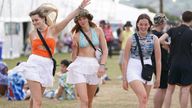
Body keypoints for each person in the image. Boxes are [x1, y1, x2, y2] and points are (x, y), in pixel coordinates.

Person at [11, 1, 90, 108]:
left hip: (46, 66)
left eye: (36, 20)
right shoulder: (32, 33)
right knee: (38, 101)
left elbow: (67, 19)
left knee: (35, 98)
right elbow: (33, 52)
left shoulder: (53, 30)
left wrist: (80, 7)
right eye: (32, 21)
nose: (34, 23)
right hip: (33, 64)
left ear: (43, 18)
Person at [67, 9, 108, 108]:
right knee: (84, 100)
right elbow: (74, 58)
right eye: (79, 19)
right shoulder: (76, 35)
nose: (82, 21)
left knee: (89, 101)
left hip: (94, 66)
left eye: (84, 18)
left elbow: (105, 50)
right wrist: (74, 48)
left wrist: (102, 66)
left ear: (88, 18)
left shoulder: (98, 31)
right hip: (79, 65)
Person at [122, 14, 161, 108]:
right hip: (133, 67)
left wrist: (158, 78)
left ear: (149, 25)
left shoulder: (154, 39)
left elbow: (158, 60)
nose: (143, 26)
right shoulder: (131, 39)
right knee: (143, 96)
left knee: (144, 100)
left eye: (145, 24)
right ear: (137, 25)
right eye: (141, 24)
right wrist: (124, 78)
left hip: (147, 68)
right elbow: (125, 59)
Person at [160, 11, 192, 108]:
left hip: (173, 63)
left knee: (170, 89)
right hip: (187, 63)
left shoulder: (172, 30)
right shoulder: (191, 32)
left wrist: (169, 46)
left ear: (182, 18)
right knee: (185, 89)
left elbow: (160, 40)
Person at [151, 13, 170, 108]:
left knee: (162, 88)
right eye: (165, 22)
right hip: (161, 63)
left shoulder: (151, 33)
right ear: (161, 22)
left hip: (155, 62)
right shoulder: (159, 35)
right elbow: (167, 47)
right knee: (162, 88)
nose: (165, 24)